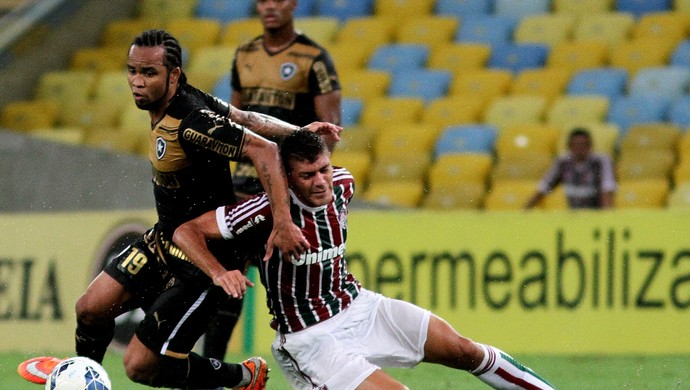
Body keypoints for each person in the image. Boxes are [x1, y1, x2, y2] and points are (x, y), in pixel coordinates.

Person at [16, 29, 341, 389]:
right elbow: (245, 117)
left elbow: (262, 150)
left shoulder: (192, 121)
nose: (137, 82)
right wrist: (295, 133)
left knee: (139, 367)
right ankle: (79, 376)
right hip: (164, 240)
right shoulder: (180, 100)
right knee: (90, 309)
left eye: (149, 74)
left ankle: (241, 377)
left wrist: (281, 221)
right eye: (132, 71)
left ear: (173, 75)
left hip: (204, 257)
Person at [173, 130, 555, 390]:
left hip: (361, 307)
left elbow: (307, 155)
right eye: (307, 176)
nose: (321, 181)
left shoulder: (343, 183)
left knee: (465, 350)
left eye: (323, 169)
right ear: (285, 178)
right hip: (311, 339)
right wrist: (219, 272)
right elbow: (185, 231)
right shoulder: (266, 211)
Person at [202, 0, 342, 362]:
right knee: (226, 283)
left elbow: (328, 136)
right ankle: (212, 373)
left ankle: (328, 366)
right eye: (262, 0)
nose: (269, 6)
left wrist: (300, 186)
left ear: (293, 4)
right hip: (242, 188)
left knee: (296, 288)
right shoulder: (244, 54)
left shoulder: (315, 59)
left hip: (286, 193)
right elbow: (232, 127)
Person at [525, 127, 616, 209]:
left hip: (597, 216)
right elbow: (544, 188)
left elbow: (607, 190)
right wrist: (525, 211)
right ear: (569, 146)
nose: (580, 149)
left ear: (590, 146)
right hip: (573, 216)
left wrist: (606, 217)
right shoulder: (562, 163)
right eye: (576, 145)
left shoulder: (601, 162)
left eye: (583, 145)